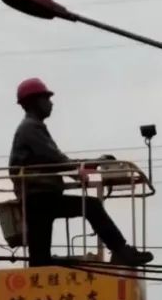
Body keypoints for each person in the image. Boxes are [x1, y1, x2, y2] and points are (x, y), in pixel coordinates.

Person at [10, 78, 153, 268]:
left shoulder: (30, 127)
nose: (51, 103)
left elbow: (56, 161)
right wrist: (80, 170)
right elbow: (57, 159)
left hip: (38, 199)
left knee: (40, 261)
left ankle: (119, 251)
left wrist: (88, 165)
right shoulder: (31, 128)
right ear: (35, 101)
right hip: (40, 198)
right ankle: (121, 250)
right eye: (47, 98)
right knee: (91, 206)